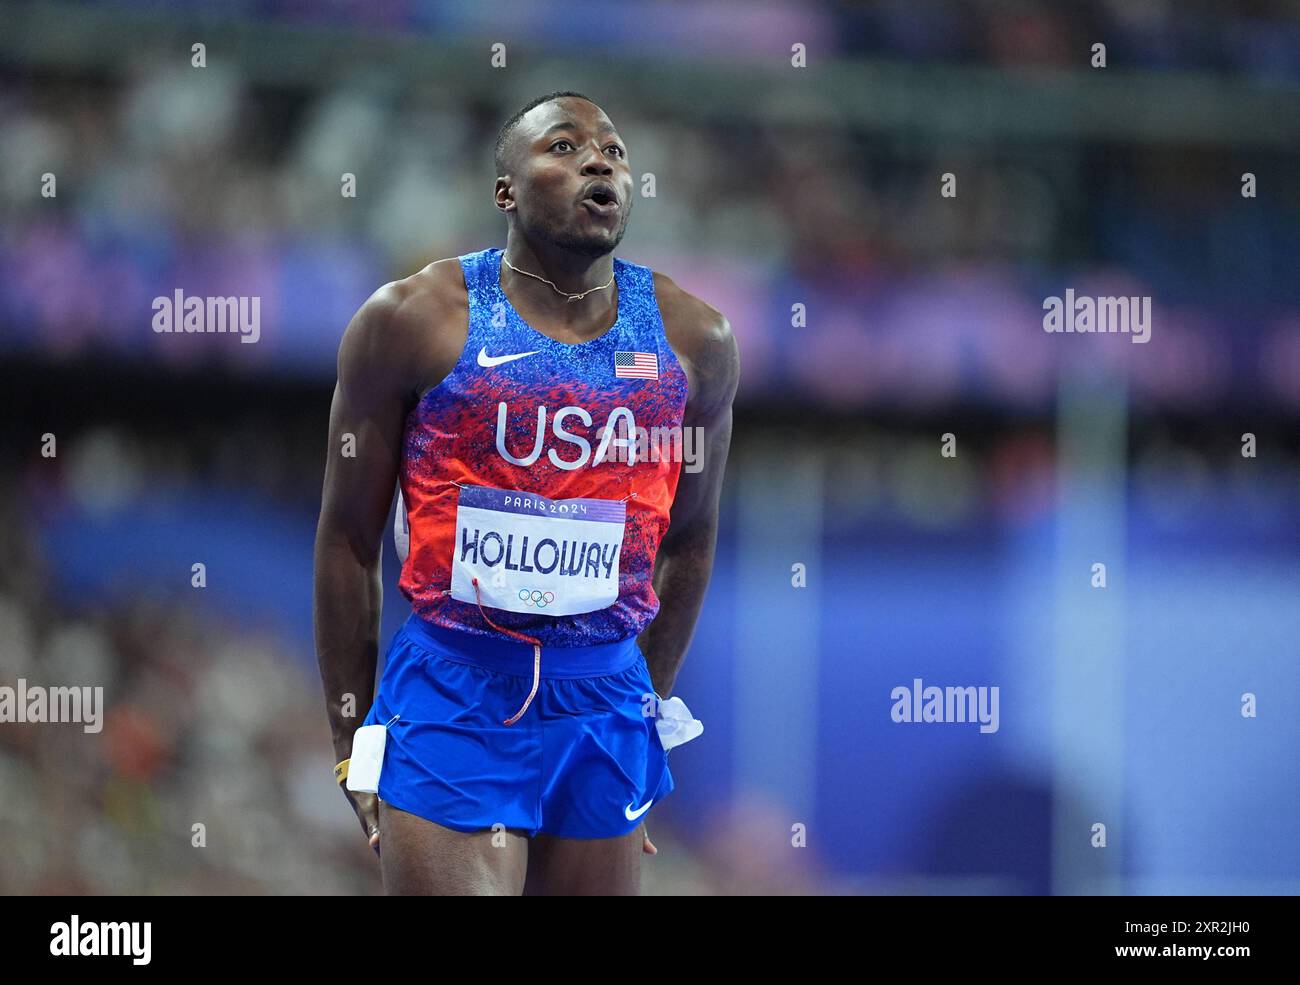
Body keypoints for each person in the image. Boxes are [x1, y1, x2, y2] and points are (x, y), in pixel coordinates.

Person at [313, 91, 739, 894]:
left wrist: (644, 715)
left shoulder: (694, 342)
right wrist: (350, 740)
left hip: (604, 700)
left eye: (613, 149)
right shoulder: (413, 320)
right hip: (453, 692)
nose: (599, 159)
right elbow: (345, 539)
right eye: (566, 146)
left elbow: (690, 539)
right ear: (505, 190)